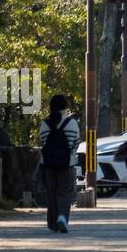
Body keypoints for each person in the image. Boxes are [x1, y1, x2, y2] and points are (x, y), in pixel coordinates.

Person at [38, 94, 80, 234]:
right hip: (67, 164)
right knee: (64, 191)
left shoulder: (45, 124)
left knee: (51, 192)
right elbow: (76, 143)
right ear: (66, 107)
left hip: (48, 164)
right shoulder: (72, 123)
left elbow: (42, 142)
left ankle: (52, 223)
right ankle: (62, 217)